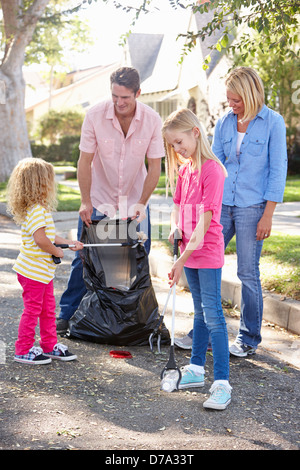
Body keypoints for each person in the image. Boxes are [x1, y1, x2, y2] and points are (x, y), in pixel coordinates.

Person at [175, 67, 288, 358]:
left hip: (253, 207)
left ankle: (248, 338)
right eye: (229, 99)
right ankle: (205, 332)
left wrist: (268, 214)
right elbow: (211, 161)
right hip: (221, 205)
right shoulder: (226, 122)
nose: (231, 105)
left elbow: (277, 171)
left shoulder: (273, 122)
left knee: (247, 272)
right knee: (201, 261)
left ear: (251, 95)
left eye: (236, 100)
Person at [56, 67, 164, 334]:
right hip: (99, 198)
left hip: (134, 200)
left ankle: (131, 320)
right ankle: (67, 314)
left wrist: (142, 202)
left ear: (138, 93)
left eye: (125, 97)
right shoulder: (95, 115)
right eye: (115, 95)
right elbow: (85, 160)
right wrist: (84, 200)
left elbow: (154, 167)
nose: (119, 102)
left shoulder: (151, 119)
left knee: (137, 257)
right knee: (85, 255)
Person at [163, 108, 232, 410]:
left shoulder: (212, 171)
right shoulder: (185, 169)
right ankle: (195, 370)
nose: (177, 149)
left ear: (195, 131)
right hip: (189, 252)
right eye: (172, 146)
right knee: (200, 313)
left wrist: (180, 260)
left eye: (179, 142)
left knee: (214, 315)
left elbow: (205, 223)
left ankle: (222, 383)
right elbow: (178, 204)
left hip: (206, 251)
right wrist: (175, 225)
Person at [7, 158, 83, 365]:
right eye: (49, 181)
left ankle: (49, 345)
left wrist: (69, 243)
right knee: (32, 311)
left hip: (42, 272)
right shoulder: (36, 211)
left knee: (48, 310)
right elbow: (41, 240)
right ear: (39, 183)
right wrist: (57, 252)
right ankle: (23, 349)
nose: (53, 185)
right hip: (32, 272)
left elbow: (48, 235)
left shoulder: (39, 209)